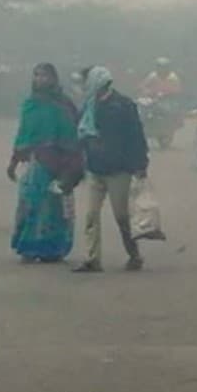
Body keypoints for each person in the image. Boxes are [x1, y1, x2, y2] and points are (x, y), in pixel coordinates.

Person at [7, 63, 84, 263]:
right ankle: (28, 247)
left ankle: (53, 249)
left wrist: (70, 163)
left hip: (59, 162)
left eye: (44, 76)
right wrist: (14, 161)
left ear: (54, 79)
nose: (40, 79)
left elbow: (73, 134)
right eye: (36, 75)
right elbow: (23, 134)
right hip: (35, 162)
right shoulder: (31, 104)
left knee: (55, 207)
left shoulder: (64, 104)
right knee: (30, 203)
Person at [74, 66, 148, 273]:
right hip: (95, 167)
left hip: (119, 169)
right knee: (90, 215)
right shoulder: (89, 106)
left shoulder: (123, 106)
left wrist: (140, 165)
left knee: (121, 216)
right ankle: (92, 259)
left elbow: (136, 137)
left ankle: (134, 254)